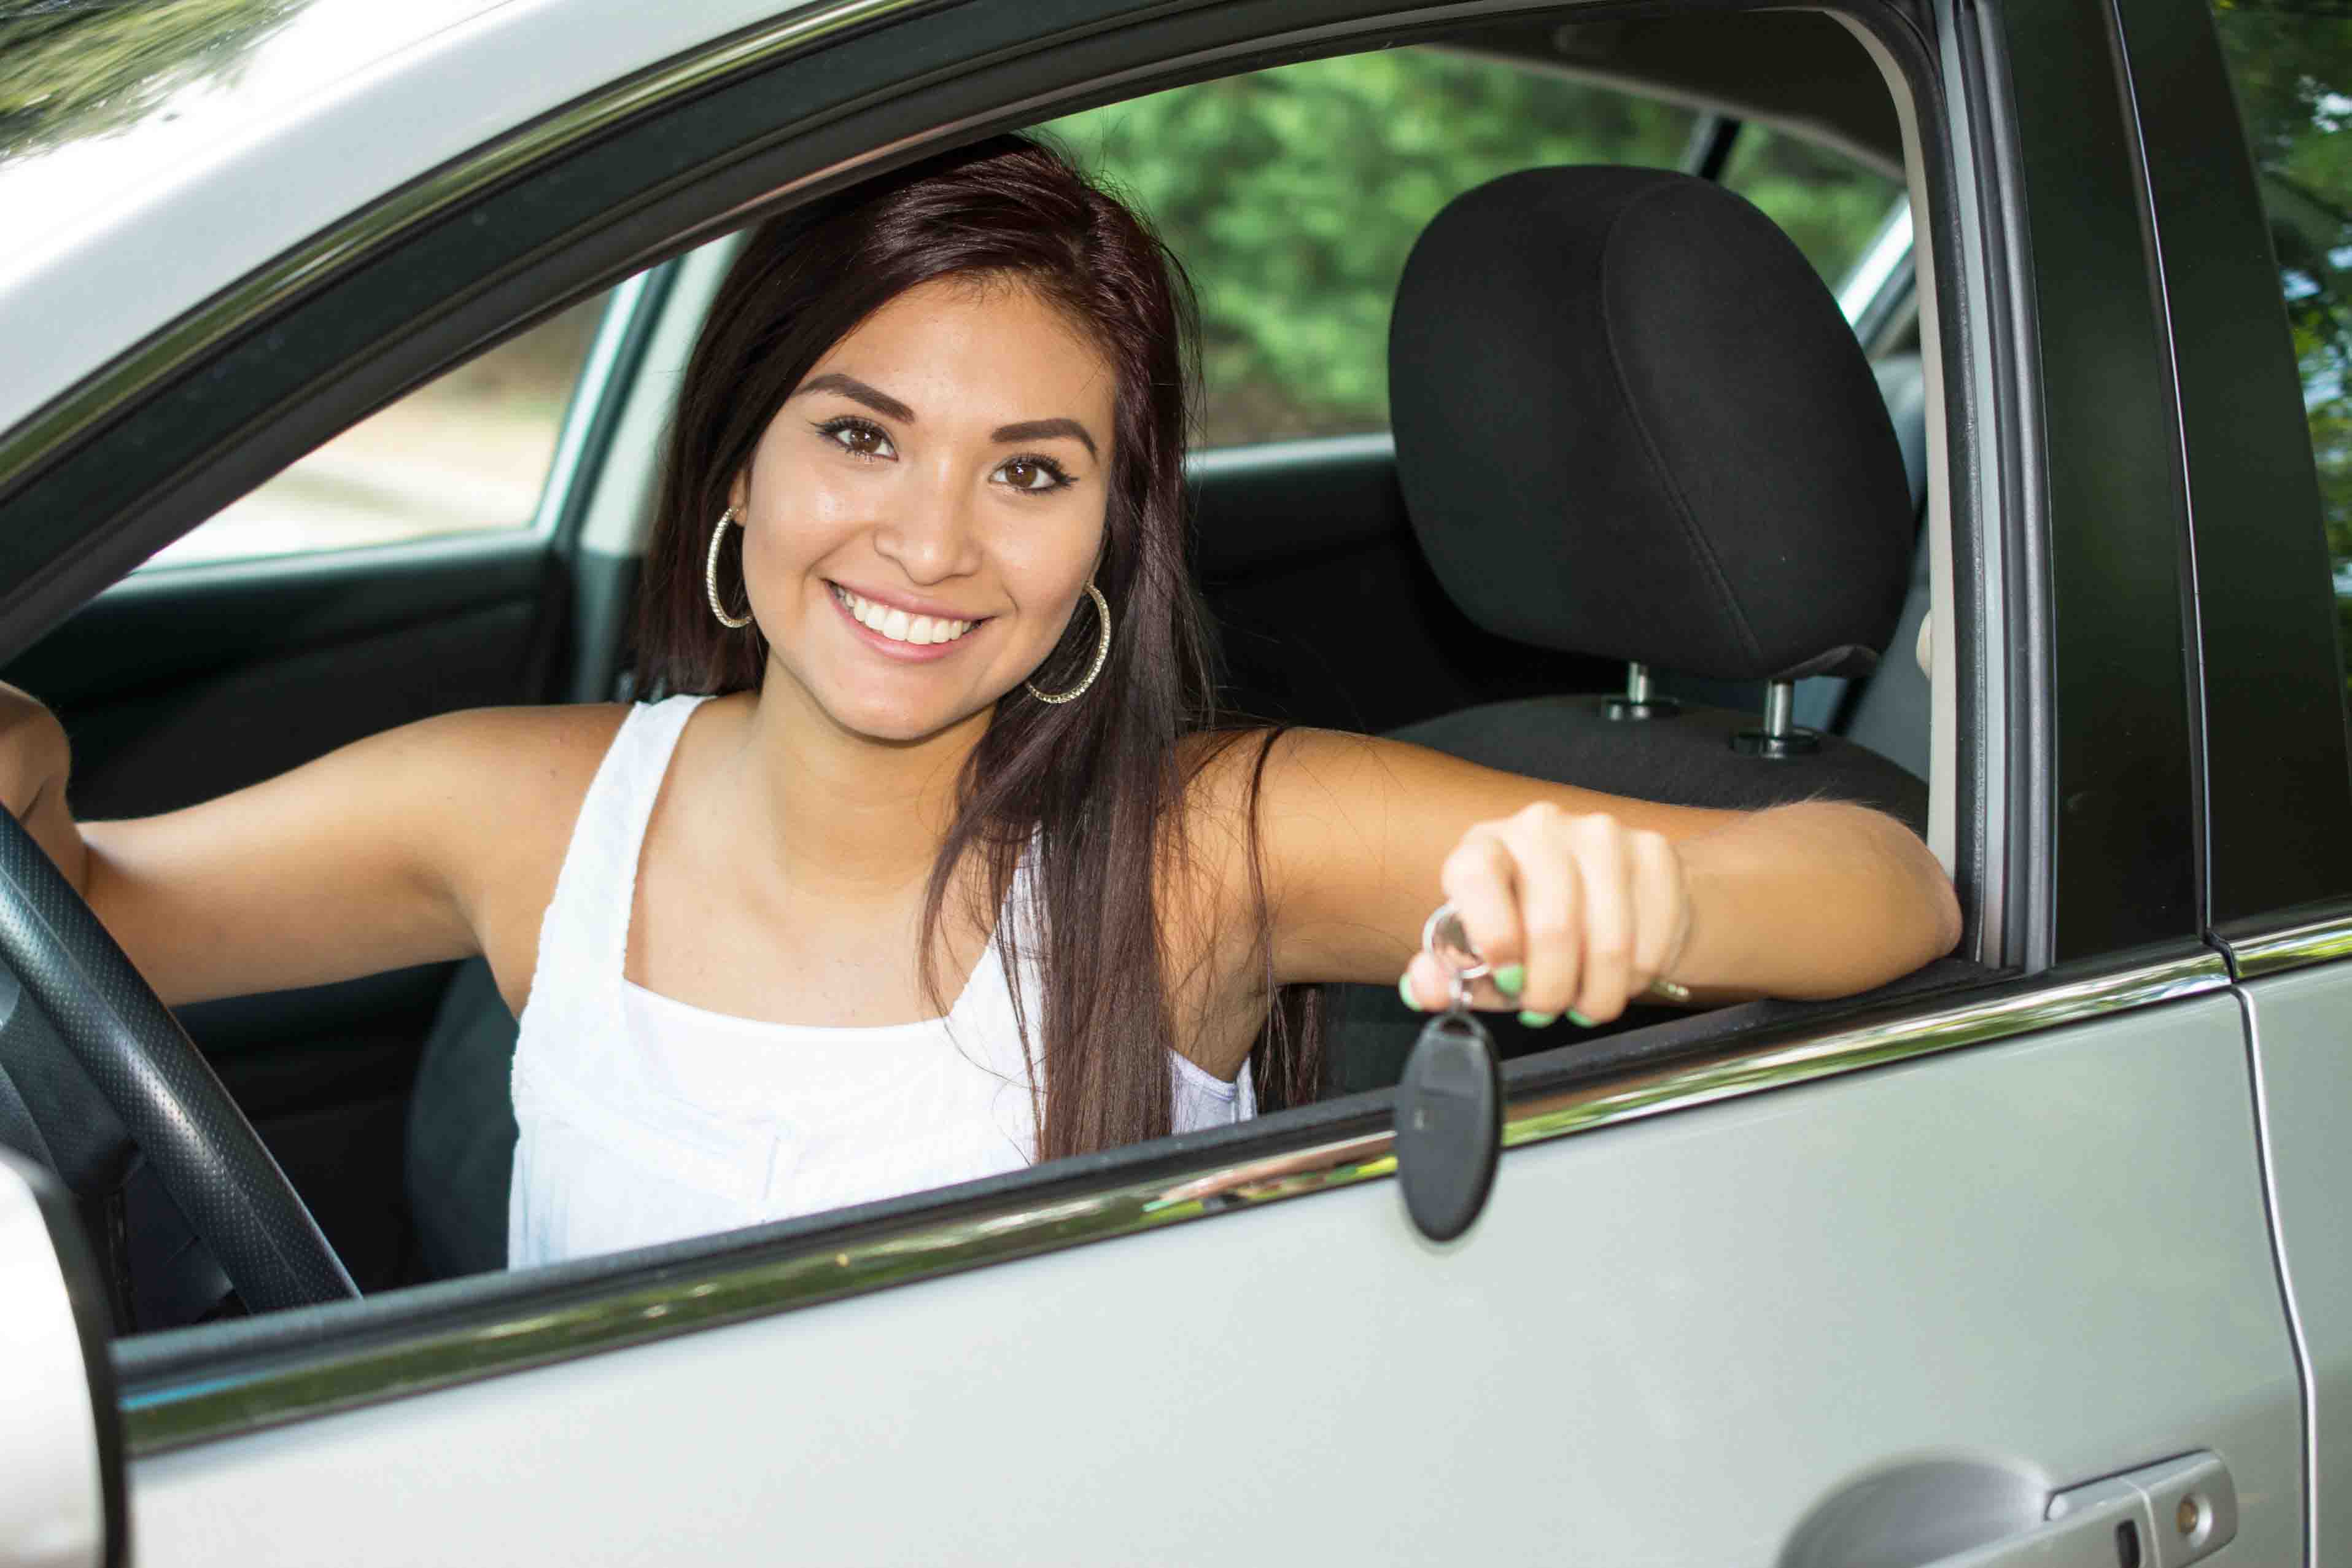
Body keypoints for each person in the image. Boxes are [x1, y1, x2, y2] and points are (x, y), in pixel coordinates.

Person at [0, 134, 1959, 1268]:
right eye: (862, 435)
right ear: (742, 465)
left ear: (1110, 533)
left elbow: (1892, 890)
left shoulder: (1203, 849)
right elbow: (93, 910)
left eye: (1032, 471)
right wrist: (39, 774)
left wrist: (1647, 903)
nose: (931, 542)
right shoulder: (521, 805)